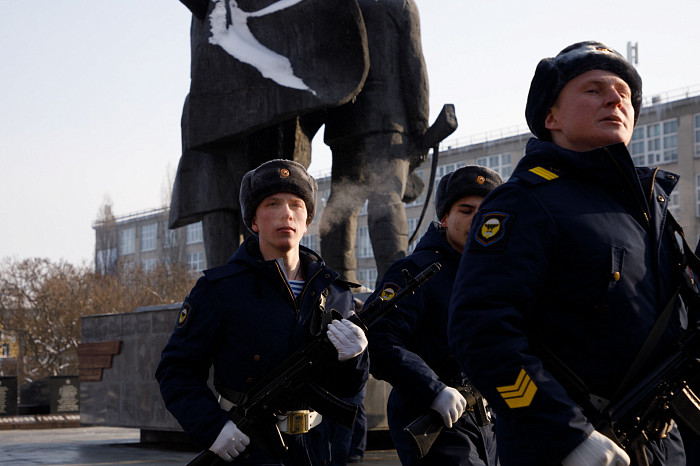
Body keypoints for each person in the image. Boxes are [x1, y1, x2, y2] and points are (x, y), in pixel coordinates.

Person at [448, 41, 690, 465]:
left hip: (662, 445)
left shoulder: (653, 212)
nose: (617, 99)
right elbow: (481, 331)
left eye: (625, 94)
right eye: (594, 90)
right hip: (568, 446)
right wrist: (565, 434)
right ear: (550, 116)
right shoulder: (524, 202)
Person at [156, 159, 370, 465]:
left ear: (307, 220)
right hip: (250, 447)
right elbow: (176, 371)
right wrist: (213, 428)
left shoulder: (336, 292)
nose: (286, 213)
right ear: (254, 222)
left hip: (319, 449)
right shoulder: (219, 289)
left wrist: (356, 359)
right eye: (273, 203)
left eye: (296, 205)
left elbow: (349, 389)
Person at [366, 166, 502, 465]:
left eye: (487, 211)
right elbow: (378, 337)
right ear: (444, 218)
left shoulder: (498, 274)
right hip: (433, 417)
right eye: (466, 210)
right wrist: (433, 388)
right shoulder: (416, 271)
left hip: (489, 419)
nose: (477, 219)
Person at [320, 0, 430, 284]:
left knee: (341, 207)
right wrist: (419, 124)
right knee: (387, 199)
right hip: (387, 119)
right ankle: (395, 287)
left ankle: (338, 286)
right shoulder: (399, 4)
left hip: (343, 119)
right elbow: (413, 62)